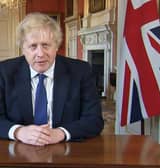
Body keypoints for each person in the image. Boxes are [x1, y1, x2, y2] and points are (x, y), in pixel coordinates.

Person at [0, 12, 104, 146]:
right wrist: (18, 131)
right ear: (23, 49)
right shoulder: (4, 72)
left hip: (66, 151)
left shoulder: (80, 71)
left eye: (46, 45)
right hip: (19, 150)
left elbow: (94, 120)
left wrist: (61, 133)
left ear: (56, 46)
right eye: (33, 46)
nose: (40, 54)